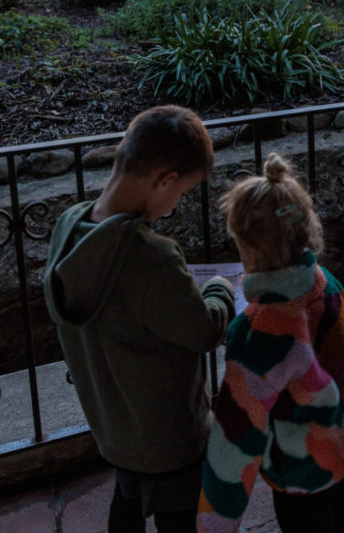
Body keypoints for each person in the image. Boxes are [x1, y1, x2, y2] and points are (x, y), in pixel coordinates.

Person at [44, 105, 236, 533]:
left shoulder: (67, 228)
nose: (177, 200)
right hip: (168, 437)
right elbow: (202, 329)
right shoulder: (150, 257)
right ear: (165, 179)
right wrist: (220, 288)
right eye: (182, 191)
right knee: (178, 517)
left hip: (113, 425)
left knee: (126, 501)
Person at [197, 153, 344, 533]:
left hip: (300, 468)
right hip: (340, 446)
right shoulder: (326, 283)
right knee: (340, 519)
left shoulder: (258, 329)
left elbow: (237, 435)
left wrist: (215, 522)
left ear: (250, 252)